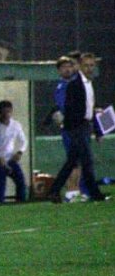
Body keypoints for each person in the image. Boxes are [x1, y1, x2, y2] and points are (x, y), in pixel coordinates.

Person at [47, 52, 108, 202]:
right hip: (77, 127)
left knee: (72, 161)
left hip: (84, 125)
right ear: (80, 66)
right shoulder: (74, 85)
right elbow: (69, 109)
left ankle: (54, 191)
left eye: (92, 65)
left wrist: (98, 130)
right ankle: (95, 193)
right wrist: (75, 127)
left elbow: (89, 108)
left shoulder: (87, 83)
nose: (89, 68)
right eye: (86, 65)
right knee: (86, 161)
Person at [53, 55, 86, 202]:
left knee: (77, 159)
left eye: (69, 66)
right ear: (59, 71)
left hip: (77, 125)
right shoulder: (62, 87)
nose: (67, 69)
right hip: (70, 127)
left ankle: (76, 190)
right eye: (63, 67)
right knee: (73, 159)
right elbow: (64, 107)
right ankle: (71, 191)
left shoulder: (75, 84)